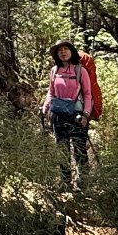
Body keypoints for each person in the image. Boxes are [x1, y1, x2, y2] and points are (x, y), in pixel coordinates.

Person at [41, 39, 94, 191]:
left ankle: (83, 184)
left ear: (71, 52)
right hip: (57, 116)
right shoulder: (54, 71)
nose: (63, 52)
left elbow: (88, 94)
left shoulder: (80, 70)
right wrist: (45, 109)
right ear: (57, 54)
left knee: (79, 150)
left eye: (66, 49)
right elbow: (51, 92)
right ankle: (65, 184)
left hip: (77, 116)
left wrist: (85, 115)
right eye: (60, 50)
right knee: (62, 150)